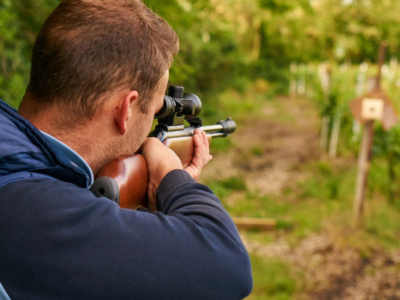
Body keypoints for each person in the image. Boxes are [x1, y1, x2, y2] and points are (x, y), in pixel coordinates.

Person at [0, 0, 253, 299]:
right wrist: (173, 179)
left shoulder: (18, 172)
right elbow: (228, 266)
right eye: (155, 110)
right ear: (127, 109)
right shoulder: (34, 209)